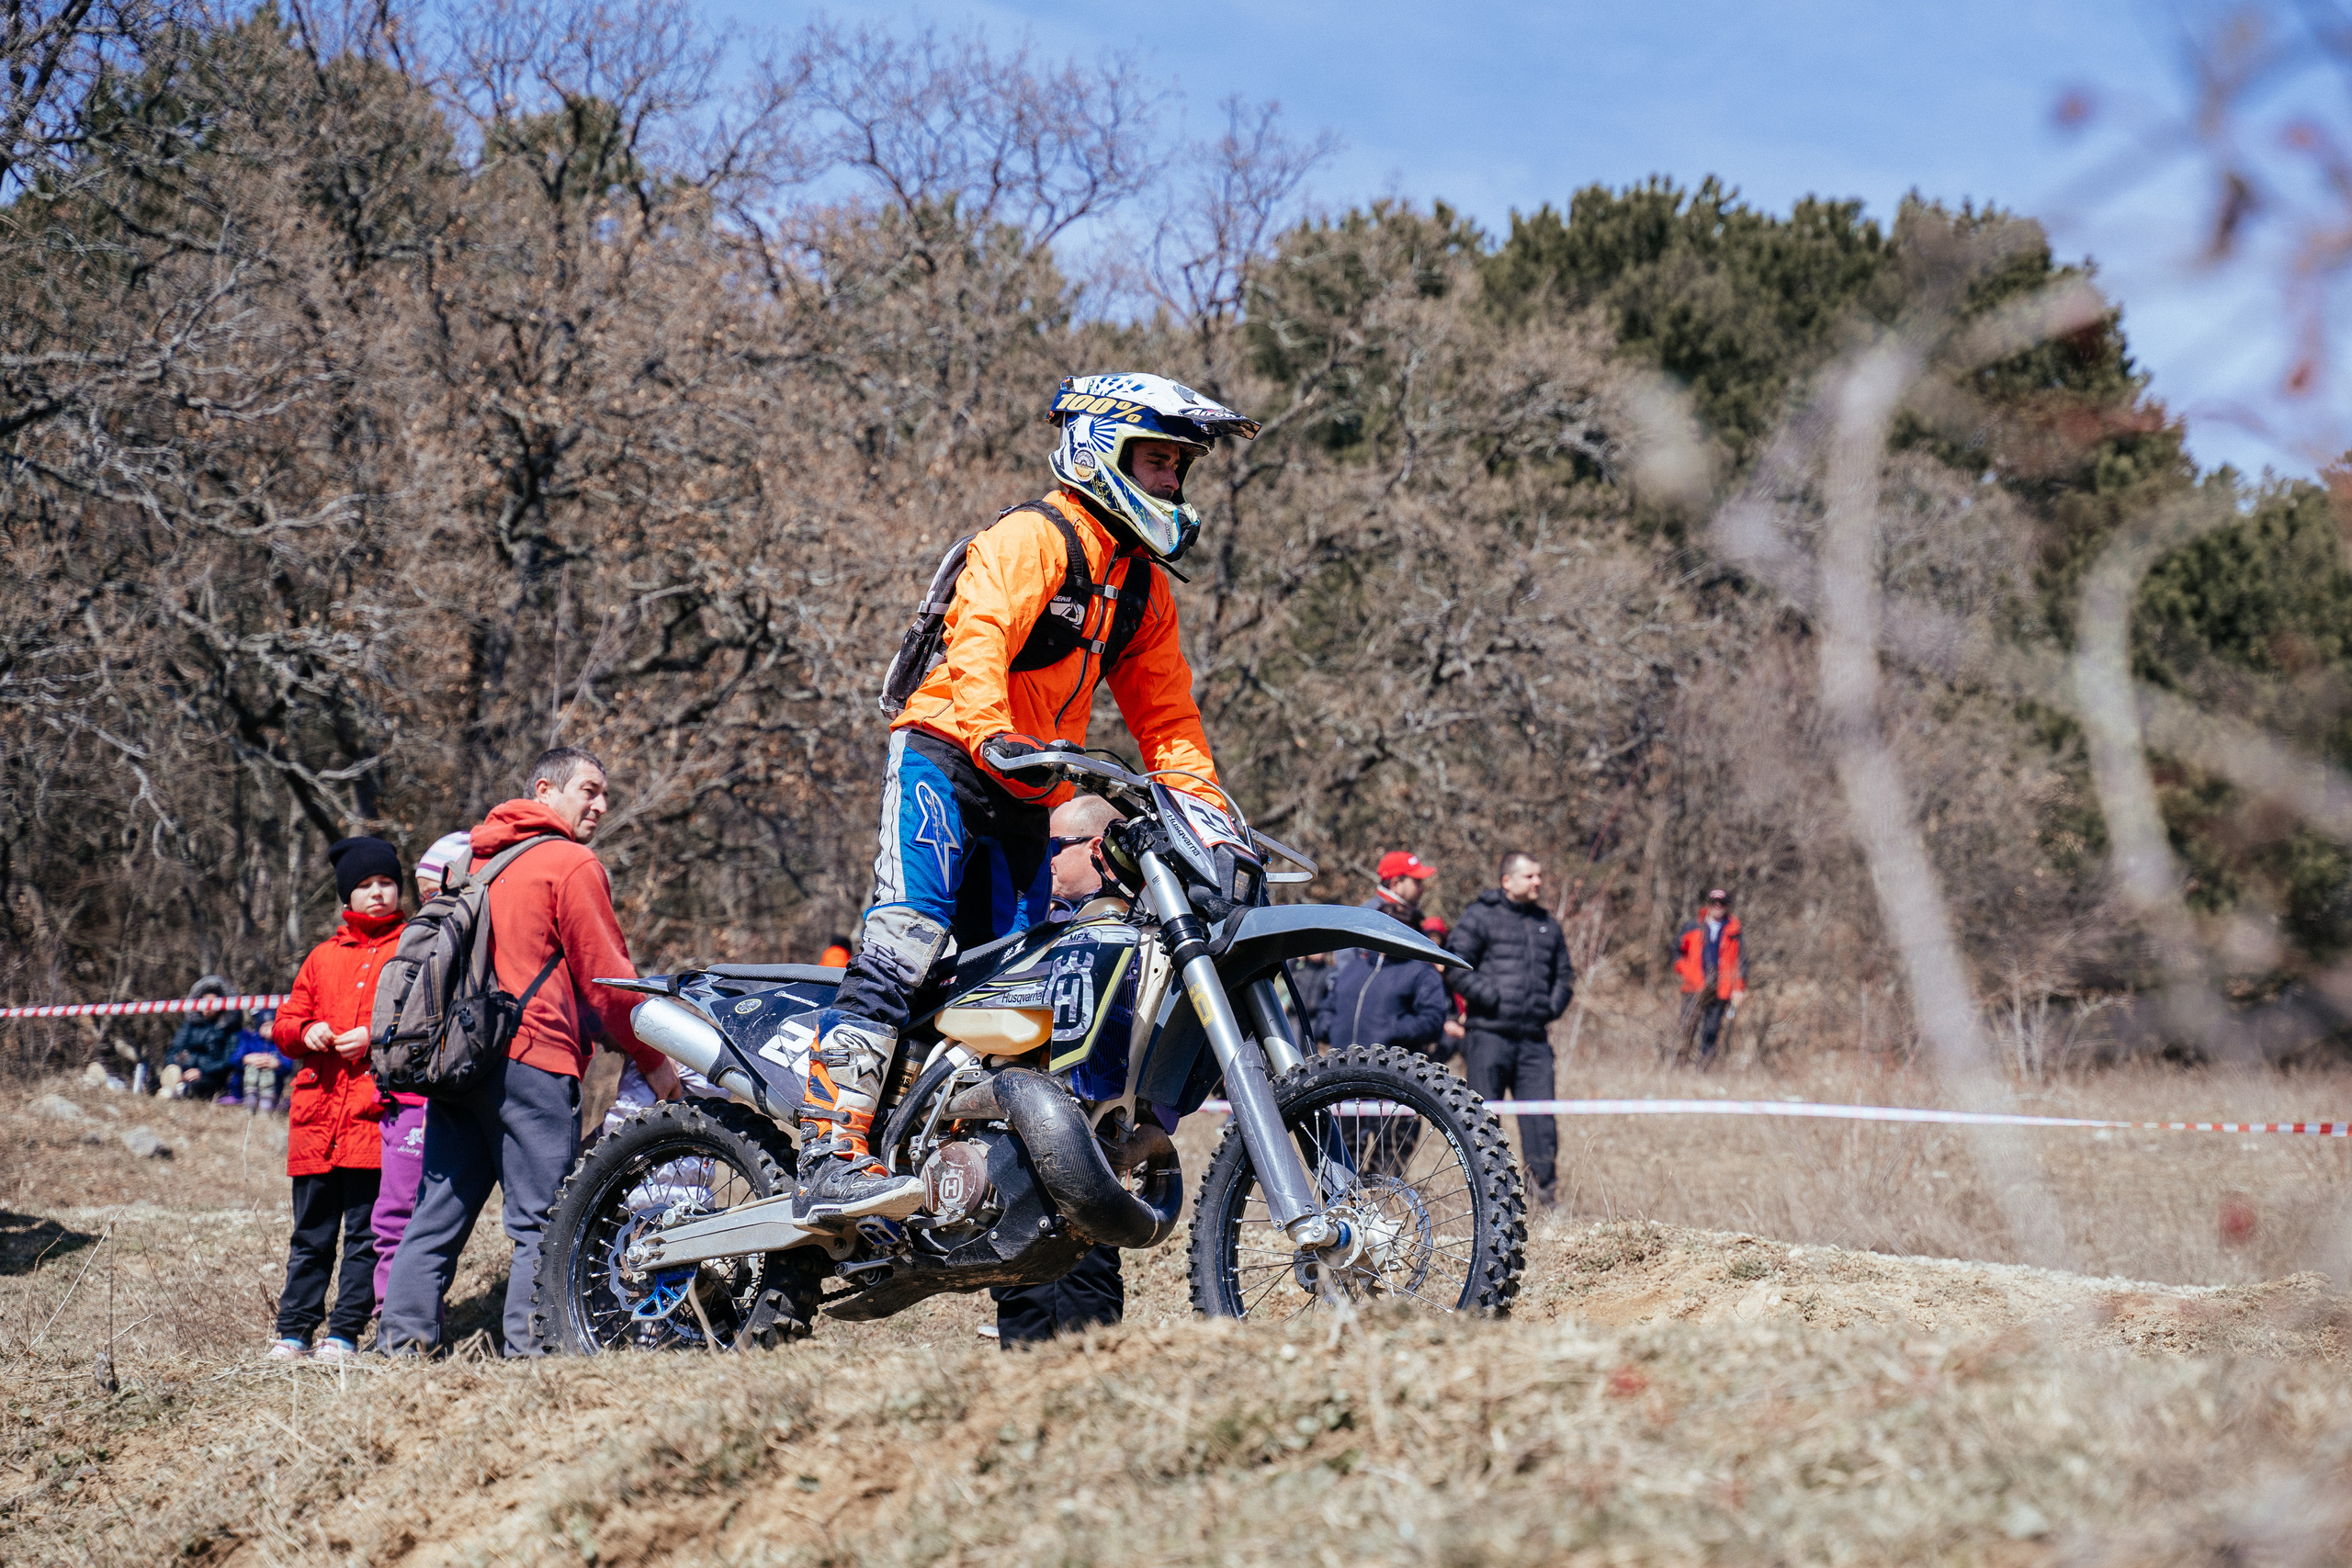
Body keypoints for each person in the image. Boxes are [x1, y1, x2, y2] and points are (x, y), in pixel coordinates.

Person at [805, 372, 1259, 1222]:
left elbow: (1169, 719)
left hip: (1026, 784)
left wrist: (1207, 814)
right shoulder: (1032, 536)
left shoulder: (1142, 587)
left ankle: (986, 1169)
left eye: (1177, 467)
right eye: (1154, 461)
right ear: (1101, 451)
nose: (1169, 482)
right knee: (904, 939)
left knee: (1015, 984)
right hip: (947, 751)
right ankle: (830, 1144)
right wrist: (990, 730)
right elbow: (978, 636)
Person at [379, 748, 684, 1357]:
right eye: (588, 790)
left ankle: (400, 1346)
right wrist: (656, 1064)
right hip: (532, 1058)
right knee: (543, 1218)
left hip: (460, 1059)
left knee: (435, 1215)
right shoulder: (570, 863)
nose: (599, 804)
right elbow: (609, 980)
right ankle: (535, 1351)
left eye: (604, 796)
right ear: (545, 788)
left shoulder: (475, 859)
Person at [989, 792, 1127, 1348]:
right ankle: (1021, 1388)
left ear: (1097, 850)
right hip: (1019, 1122)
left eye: (1057, 847)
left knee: (1085, 1265)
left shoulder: (1126, 929)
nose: (1046, 859)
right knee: (1017, 1270)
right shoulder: (1042, 919)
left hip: (1087, 1127)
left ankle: (1086, 1388)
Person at [264, 837, 404, 1359]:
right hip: (317, 1120)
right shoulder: (321, 957)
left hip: (375, 1118)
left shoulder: (411, 948)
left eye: (385, 883)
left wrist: (373, 1037)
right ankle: (293, 1330)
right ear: (347, 896)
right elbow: (284, 1024)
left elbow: (419, 1022)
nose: (376, 894)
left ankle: (345, 1332)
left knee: (366, 1235)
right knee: (311, 1235)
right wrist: (308, 1031)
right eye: (365, 886)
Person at [367, 836, 469, 1309]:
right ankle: (394, 1314)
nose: (429, 905)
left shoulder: (474, 943)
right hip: (408, 1100)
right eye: (424, 894)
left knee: (425, 1213)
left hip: (443, 1096)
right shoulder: (421, 939)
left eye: (438, 892)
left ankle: (413, 1312)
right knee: (395, 1210)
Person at [1445, 852, 1575, 1207]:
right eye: (1530, 876)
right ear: (1508, 881)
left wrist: (1550, 1008)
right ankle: (1487, 1200)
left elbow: (1565, 976)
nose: (1538, 882)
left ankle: (1543, 1198)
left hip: (1534, 1041)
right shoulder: (1480, 916)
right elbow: (1455, 966)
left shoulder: (1546, 923)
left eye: (1539, 876)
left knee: (1541, 1122)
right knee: (1483, 1122)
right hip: (1488, 1036)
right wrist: (1493, 999)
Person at [1314, 859, 1453, 1175]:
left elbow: (1432, 1018)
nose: (1422, 887)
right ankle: (1346, 1202)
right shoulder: (1354, 964)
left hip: (1394, 1075)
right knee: (1343, 1156)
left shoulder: (1419, 971)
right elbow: (1329, 1002)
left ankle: (1387, 1199)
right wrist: (1328, 1028)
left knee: (1391, 1154)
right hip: (1344, 1073)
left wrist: (1390, 1032)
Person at [1672, 888, 1747, 1065]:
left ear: (1727, 906)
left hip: (1720, 987)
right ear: (1709, 904)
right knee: (1686, 1027)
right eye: (1714, 902)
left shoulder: (1734, 931)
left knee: (1711, 1030)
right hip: (1694, 986)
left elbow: (1741, 962)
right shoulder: (1692, 926)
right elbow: (1676, 951)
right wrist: (1685, 970)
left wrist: (1738, 989)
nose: (1718, 906)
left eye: (1721, 903)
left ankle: (1702, 1069)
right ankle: (1677, 1066)